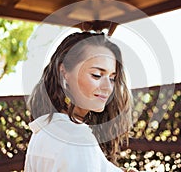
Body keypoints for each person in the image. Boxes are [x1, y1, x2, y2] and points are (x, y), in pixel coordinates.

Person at [24, 31, 138, 172]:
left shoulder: (46, 129)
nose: (108, 87)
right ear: (64, 73)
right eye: (96, 75)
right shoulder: (76, 137)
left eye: (112, 78)